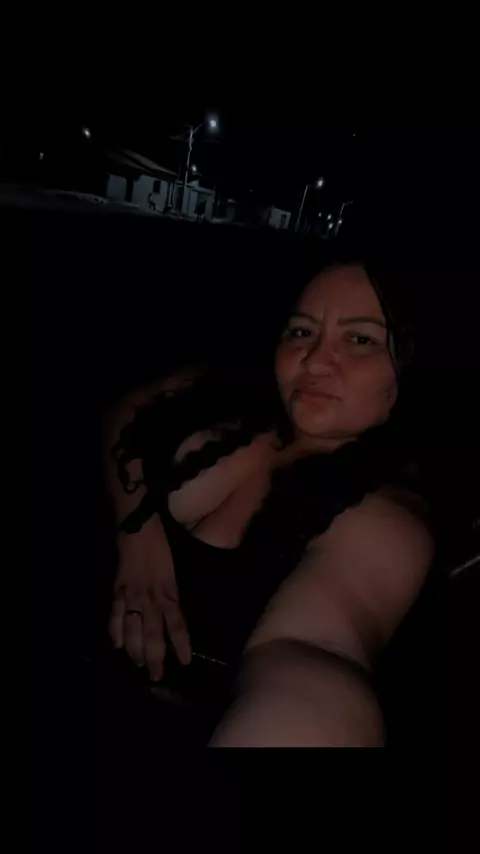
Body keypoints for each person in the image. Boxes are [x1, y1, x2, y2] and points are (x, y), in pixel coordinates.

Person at [103, 248, 434, 747]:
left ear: (409, 366)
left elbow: (312, 662)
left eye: (361, 339)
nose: (314, 360)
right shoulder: (233, 397)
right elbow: (125, 414)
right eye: (301, 331)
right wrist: (137, 534)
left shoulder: (385, 518)